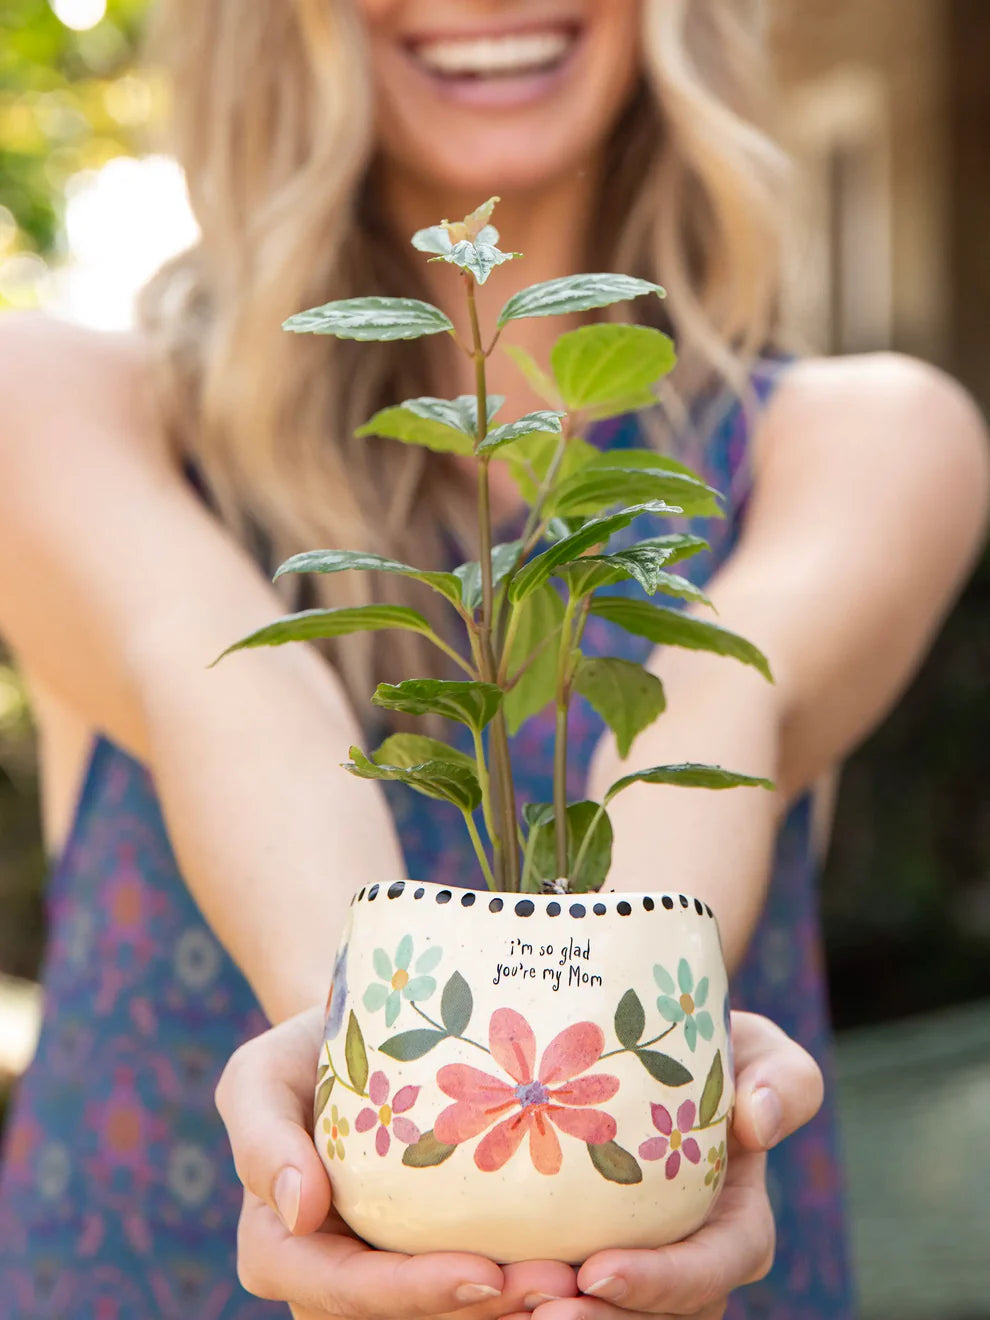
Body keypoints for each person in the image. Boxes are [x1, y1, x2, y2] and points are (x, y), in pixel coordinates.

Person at [0, 0, 985, 1316]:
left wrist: (586, 1113)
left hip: (643, 1261)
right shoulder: (57, 402)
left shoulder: (860, 438)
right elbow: (236, 687)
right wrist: (410, 1105)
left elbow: (698, 718)